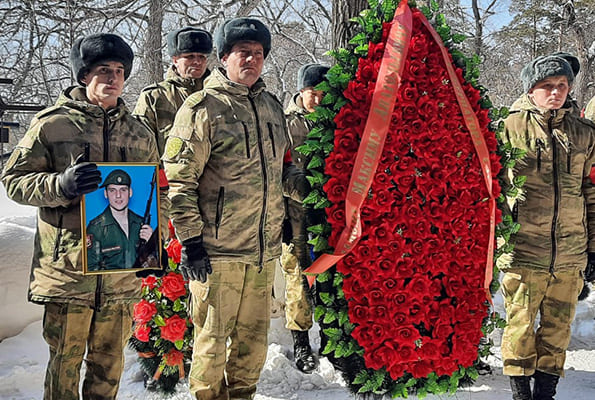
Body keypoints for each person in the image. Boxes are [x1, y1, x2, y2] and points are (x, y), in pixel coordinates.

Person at [1, 33, 164, 400]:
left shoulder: (139, 133)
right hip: (69, 272)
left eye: (119, 70)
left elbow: (156, 193)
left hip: (120, 274)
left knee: (109, 367)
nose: (113, 78)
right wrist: (60, 184)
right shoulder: (52, 125)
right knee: (64, 366)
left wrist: (153, 246)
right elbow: (14, 181)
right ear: (84, 75)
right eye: (103, 70)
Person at [163, 17, 308, 400]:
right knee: (211, 345)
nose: (252, 59)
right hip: (216, 254)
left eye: (258, 53)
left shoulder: (272, 107)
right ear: (224, 56)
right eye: (243, 52)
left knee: (253, 346)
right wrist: (191, 242)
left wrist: (307, 188)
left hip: (262, 253)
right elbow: (180, 182)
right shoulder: (202, 108)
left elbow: (283, 168)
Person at [500, 54, 595, 400]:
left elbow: (591, 192)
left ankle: (545, 394)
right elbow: (492, 189)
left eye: (562, 85)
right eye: (547, 86)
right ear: (531, 89)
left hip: (570, 254)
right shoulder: (508, 128)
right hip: (523, 251)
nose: (556, 92)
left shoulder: (584, 134)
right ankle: (520, 395)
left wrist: (593, 248)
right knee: (520, 328)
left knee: (558, 331)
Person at [281, 63, 329, 373]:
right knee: (297, 281)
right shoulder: (285, 124)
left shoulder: (335, 121)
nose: (319, 100)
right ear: (301, 91)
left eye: (324, 94)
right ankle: (300, 342)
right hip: (294, 215)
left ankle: (330, 339)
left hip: (330, 215)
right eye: (313, 93)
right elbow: (277, 170)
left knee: (329, 280)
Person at [134, 26, 213, 155]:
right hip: (168, 167)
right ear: (175, 60)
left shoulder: (218, 95)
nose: (197, 61)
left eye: (202, 56)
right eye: (190, 56)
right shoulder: (154, 96)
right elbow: (139, 148)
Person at [86, 169, 155, 271]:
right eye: (112, 190)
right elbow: (91, 268)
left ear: (130, 192)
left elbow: (153, 266)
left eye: (123, 190)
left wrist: (152, 243)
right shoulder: (96, 228)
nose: (118, 195)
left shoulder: (141, 224)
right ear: (105, 194)